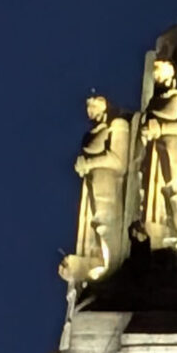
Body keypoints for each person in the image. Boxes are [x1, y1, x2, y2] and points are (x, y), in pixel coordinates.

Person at [58, 94, 131, 285]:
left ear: (104, 105)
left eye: (93, 106)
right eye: (88, 107)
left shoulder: (117, 125)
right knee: (95, 223)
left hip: (107, 180)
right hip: (91, 182)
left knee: (105, 222)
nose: (89, 111)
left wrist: (89, 163)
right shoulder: (89, 135)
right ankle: (97, 263)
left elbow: (119, 161)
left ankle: (110, 264)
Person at [137, 57, 177, 249]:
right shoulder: (152, 102)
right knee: (151, 201)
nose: (156, 74)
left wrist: (162, 128)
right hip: (153, 157)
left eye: (160, 69)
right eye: (154, 70)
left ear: (172, 70)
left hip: (176, 154)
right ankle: (158, 242)